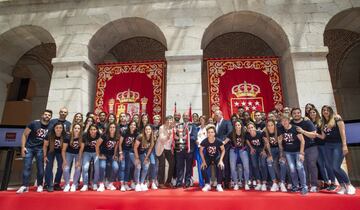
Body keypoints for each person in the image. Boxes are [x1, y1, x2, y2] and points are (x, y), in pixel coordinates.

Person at [317, 105, 356, 195]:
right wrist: (314, 134)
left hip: (338, 145)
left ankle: (349, 185)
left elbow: (343, 133)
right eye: (323, 110)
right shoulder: (323, 122)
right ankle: (342, 186)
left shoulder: (337, 118)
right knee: (331, 167)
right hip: (327, 145)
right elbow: (323, 137)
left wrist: (344, 145)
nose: (325, 112)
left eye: (327, 110)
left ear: (330, 111)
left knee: (336, 166)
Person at [17, 109, 53, 194]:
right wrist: (23, 147)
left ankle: (40, 185)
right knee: (27, 167)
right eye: (46, 114)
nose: (47, 116)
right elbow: (24, 134)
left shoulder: (51, 126)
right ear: (42, 115)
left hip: (40, 149)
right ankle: (24, 186)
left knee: (40, 168)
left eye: (49, 115)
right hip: (29, 148)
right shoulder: (34, 123)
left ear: (51, 117)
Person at [278, 115, 308, 195]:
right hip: (288, 152)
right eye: (282, 121)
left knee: (299, 167)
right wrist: (280, 143)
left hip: (298, 151)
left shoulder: (295, 128)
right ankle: (295, 186)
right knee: (292, 169)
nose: (284, 122)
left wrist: (301, 153)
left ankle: (304, 187)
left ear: (289, 120)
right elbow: (281, 144)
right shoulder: (281, 130)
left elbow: (302, 141)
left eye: (286, 120)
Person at [291, 108, 318, 192]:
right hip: (299, 149)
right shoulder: (290, 123)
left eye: (298, 113)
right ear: (292, 115)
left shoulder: (307, 122)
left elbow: (314, 135)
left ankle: (314, 185)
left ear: (301, 113)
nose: (296, 114)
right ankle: (305, 184)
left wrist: (303, 131)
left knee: (312, 165)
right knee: (303, 167)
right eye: (294, 113)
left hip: (311, 147)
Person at [308, 107, 334, 190]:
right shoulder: (309, 123)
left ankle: (333, 182)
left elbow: (323, 137)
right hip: (315, 146)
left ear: (317, 113)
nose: (312, 114)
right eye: (311, 113)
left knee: (327, 164)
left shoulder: (320, 122)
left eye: (314, 112)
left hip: (323, 145)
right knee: (321, 165)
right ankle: (326, 182)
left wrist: (315, 134)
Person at [225, 120, 250, 190]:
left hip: (243, 150)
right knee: (232, 168)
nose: (237, 126)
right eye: (236, 125)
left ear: (241, 126)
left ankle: (246, 183)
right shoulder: (231, 133)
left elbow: (249, 141)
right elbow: (225, 141)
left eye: (239, 125)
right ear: (234, 126)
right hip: (233, 151)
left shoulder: (245, 133)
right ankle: (236, 183)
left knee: (246, 167)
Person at [174, 112, 197, 188]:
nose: (185, 117)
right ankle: (179, 182)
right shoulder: (179, 126)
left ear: (189, 117)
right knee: (179, 166)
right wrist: (176, 137)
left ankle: (187, 181)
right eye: (184, 116)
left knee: (189, 167)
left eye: (187, 116)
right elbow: (176, 136)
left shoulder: (193, 125)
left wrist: (187, 137)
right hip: (180, 149)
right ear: (182, 117)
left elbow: (194, 137)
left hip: (189, 149)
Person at [263, 119, 287, 192]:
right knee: (269, 161)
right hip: (271, 150)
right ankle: (274, 182)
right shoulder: (265, 133)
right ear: (266, 126)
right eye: (268, 125)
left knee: (282, 162)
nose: (270, 127)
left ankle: (282, 182)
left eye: (272, 125)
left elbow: (280, 145)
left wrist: (281, 155)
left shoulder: (279, 132)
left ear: (274, 125)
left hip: (279, 149)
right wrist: (269, 155)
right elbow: (267, 145)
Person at [200, 125, 225, 192]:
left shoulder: (218, 141)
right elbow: (201, 151)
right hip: (208, 157)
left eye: (212, 132)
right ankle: (207, 184)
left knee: (221, 166)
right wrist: (204, 161)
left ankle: (219, 184)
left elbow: (223, 150)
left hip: (216, 157)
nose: (210, 134)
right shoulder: (204, 141)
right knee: (202, 168)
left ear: (214, 133)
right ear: (207, 133)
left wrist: (221, 160)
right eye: (209, 132)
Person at [96, 122, 119, 192]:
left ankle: (110, 183)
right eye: (111, 127)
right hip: (104, 154)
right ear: (108, 128)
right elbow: (97, 145)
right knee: (102, 167)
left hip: (111, 155)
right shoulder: (104, 135)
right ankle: (101, 184)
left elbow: (115, 147)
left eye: (114, 127)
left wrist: (115, 155)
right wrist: (98, 155)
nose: (112, 128)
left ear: (116, 129)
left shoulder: (117, 136)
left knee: (116, 167)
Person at [43, 122, 66, 192]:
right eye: (57, 128)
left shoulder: (65, 136)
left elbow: (65, 148)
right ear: (54, 128)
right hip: (51, 151)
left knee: (61, 167)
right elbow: (45, 146)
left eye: (60, 128)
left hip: (60, 152)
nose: (58, 129)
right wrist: (44, 156)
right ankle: (49, 184)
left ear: (63, 129)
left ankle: (56, 183)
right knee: (49, 167)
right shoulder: (49, 134)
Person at [245, 122, 268, 191]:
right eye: (249, 128)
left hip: (262, 149)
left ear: (255, 127)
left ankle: (264, 183)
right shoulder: (247, 135)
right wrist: (251, 148)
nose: (251, 129)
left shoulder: (260, 133)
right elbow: (247, 140)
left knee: (262, 165)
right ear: (247, 129)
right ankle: (259, 182)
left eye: (252, 127)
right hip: (254, 150)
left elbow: (266, 142)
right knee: (254, 165)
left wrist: (264, 150)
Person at [62, 123, 84, 192]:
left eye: (78, 128)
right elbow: (63, 150)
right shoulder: (68, 136)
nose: (77, 130)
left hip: (78, 154)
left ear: (80, 130)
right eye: (75, 128)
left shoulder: (82, 137)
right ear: (73, 129)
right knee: (65, 168)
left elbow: (81, 150)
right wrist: (64, 160)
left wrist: (79, 161)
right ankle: (67, 184)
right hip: (69, 153)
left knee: (78, 168)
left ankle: (74, 184)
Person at [214, 110, 233, 188]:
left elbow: (230, 131)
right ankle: (219, 181)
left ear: (221, 114)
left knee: (226, 164)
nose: (216, 116)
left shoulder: (227, 122)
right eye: (215, 115)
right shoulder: (215, 124)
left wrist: (225, 141)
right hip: (217, 147)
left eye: (217, 114)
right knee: (218, 164)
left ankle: (227, 182)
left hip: (225, 146)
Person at [133, 124, 155, 191]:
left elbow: (150, 148)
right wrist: (137, 158)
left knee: (146, 165)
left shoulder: (152, 137)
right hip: (134, 153)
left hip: (142, 153)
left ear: (151, 130)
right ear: (144, 130)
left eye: (149, 129)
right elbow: (135, 148)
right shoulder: (140, 136)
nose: (148, 130)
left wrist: (146, 158)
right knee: (138, 166)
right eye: (146, 129)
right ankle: (137, 184)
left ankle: (142, 183)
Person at [155, 115, 175, 189]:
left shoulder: (173, 128)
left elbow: (174, 138)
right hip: (161, 148)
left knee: (172, 163)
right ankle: (160, 183)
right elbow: (161, 139)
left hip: (168, 149)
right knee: (162, 164)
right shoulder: (161, 128)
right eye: (168, 120)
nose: (169, 121)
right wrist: (168, 136)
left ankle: (168, 182)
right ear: (166, 120)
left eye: (171, 120)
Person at [119, 121, 138, 191]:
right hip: (123, 151)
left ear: (136, 127)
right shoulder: (124, 132)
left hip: (130, 152)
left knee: (128, 167)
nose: (133, 126)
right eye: (131, 125)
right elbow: (120, 144)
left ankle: (126, 183)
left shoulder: (136, 133)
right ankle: (122, 184)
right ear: (129, 126)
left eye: (134, 125)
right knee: (122, 166)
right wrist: (120, 153)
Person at [80, 124, 100, 191]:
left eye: (94, 129)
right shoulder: (85, 136)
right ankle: (85, 184)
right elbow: (82, 148)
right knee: (85, 168)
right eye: (91, 129)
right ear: (89, 130)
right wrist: (80, 158)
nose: (92, 131)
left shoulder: (99, 136)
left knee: (97, 168)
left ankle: (94, 183)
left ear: (97, 130)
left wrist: (99, 155)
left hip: (96, 153)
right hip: (87, 153)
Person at [195, 115, 207, 187]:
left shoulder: (207, 128)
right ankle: (201, 182)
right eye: (201, 119)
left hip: (205, 149)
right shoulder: (197, 128)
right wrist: (196, 140)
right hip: (198, 149)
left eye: (203, 119)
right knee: (200, 165)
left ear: (205, 120)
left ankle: (207, 181)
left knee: (206, 165)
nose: (202, 120)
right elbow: (195, 137)